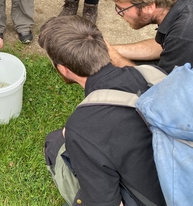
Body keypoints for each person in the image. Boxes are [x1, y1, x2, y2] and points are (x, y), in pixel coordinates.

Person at [39, 15, 166, 206]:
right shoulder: (152, 75)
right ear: (104, 47)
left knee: (56, 142)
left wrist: (79, 139)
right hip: (192, 184)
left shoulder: (83, 127)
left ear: (63, 69)